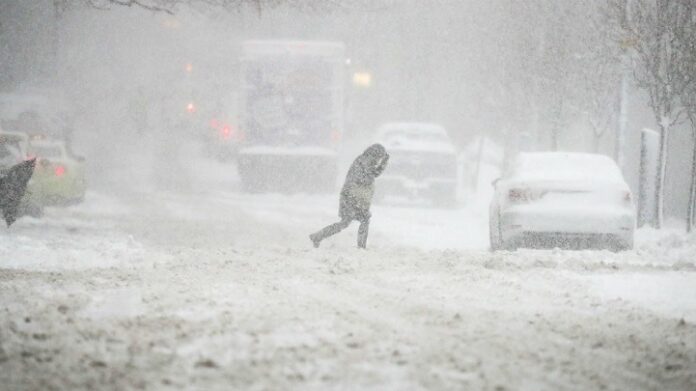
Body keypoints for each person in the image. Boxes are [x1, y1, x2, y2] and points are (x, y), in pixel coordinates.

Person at [310, 143, 389, 249]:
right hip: (351, 198)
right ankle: (360, 246)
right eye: (379, 157)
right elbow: (367, 177)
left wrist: (383, 163)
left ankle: (318, 236)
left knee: (349, 222)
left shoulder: (365, 161)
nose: (379, 160)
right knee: (353, 221)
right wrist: (382, 164)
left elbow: (374, 174)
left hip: (355, 197)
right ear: (375, 154)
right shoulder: (363, 162)